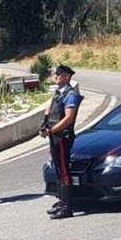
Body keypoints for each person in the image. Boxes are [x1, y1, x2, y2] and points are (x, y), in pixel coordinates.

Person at [40, 65, 83, 219]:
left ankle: (67, 207)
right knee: (58, 169)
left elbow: (69, 118)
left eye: (59, 74)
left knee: (64, 171)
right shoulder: (58, 93)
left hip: (63, 137)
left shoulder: (70, 95)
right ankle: (61, 201)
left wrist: (52, 130)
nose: (56, 76)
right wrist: (44, 125)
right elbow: (49, 110)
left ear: (66, 77)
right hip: (55, 136)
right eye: (56, 73)